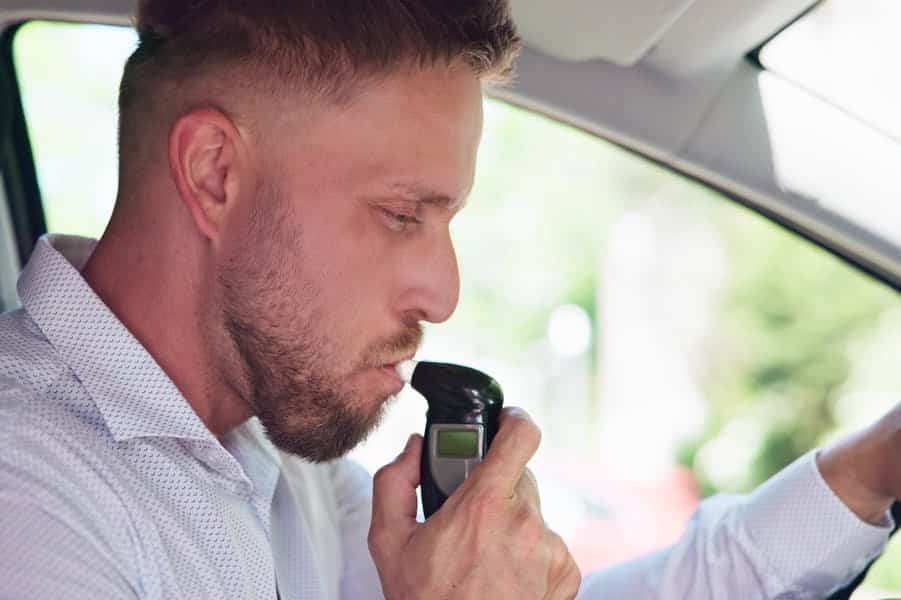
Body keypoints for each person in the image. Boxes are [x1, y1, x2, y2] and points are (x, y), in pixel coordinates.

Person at [0, 1, 898, 598]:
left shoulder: (283, 470)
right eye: (400, 215)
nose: (444, 291)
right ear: (214, 173)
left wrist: (871, 472)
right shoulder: (27, 504)